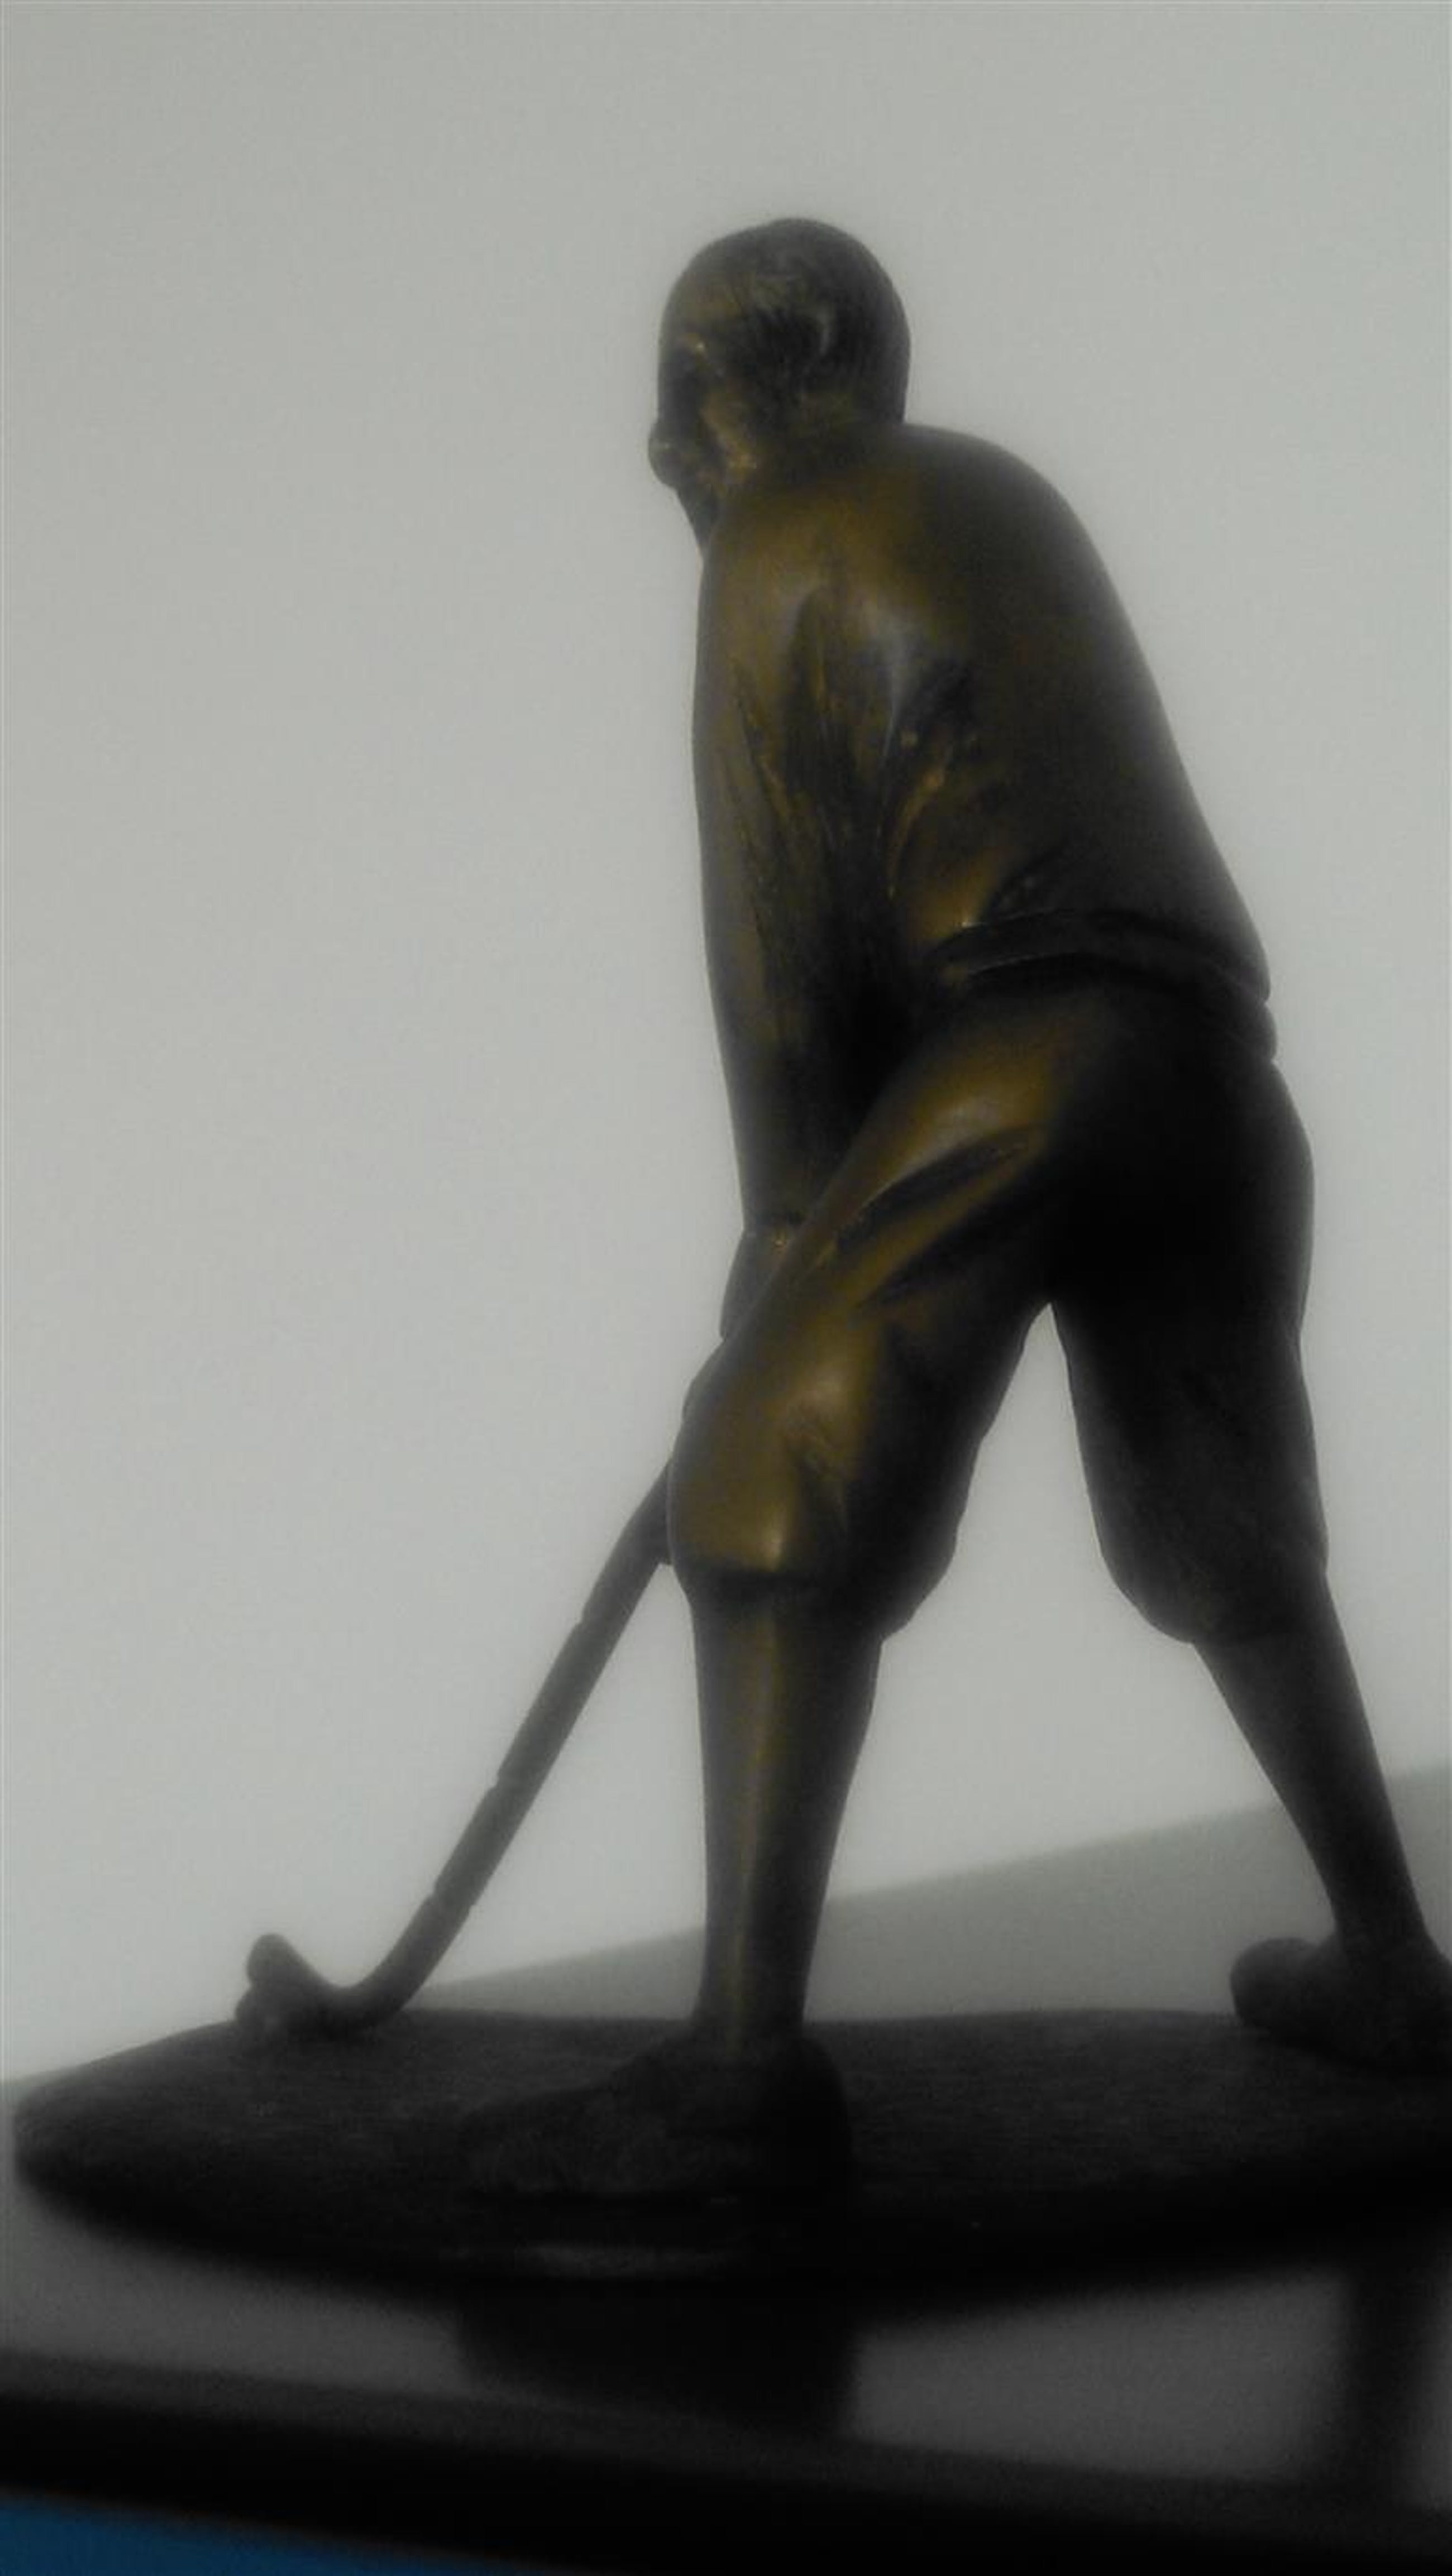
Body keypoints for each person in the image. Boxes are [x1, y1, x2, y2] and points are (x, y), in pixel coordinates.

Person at [466, 221, 1451, 2202]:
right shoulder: (998, 495)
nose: (663, 449)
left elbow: (782, 955)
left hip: (1023, 1053)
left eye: (685, 395)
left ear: (795, 366)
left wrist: (780, 1260)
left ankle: (739, 2079)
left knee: (774, 1497)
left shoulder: (782, 534)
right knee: (1229, 1534)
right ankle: (1395, 1966)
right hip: (1209, 1073)